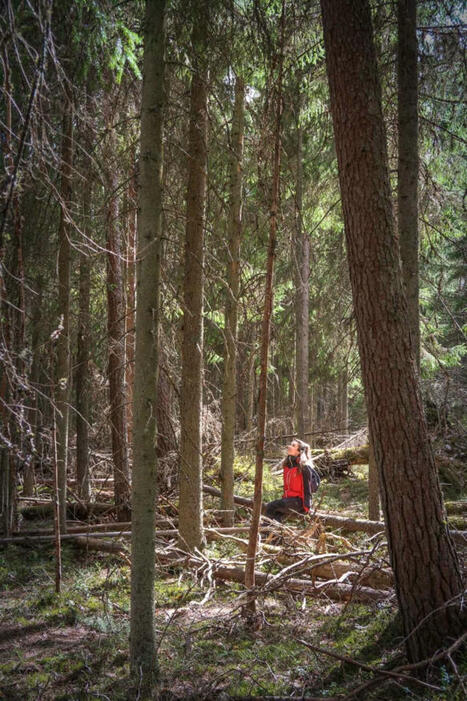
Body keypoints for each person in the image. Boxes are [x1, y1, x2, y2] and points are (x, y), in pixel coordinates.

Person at [265, 438, 315, 523]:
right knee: (277, 513)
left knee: (271, 506)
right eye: (290, 444)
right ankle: (274, 535)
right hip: (289, 500)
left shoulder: (304, 467)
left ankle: (266, 531)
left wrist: (307, 507)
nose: (289, 446)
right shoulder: (287, 465)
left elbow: (307, 488)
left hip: (299, 502)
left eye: (293, 445)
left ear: (299, 451)